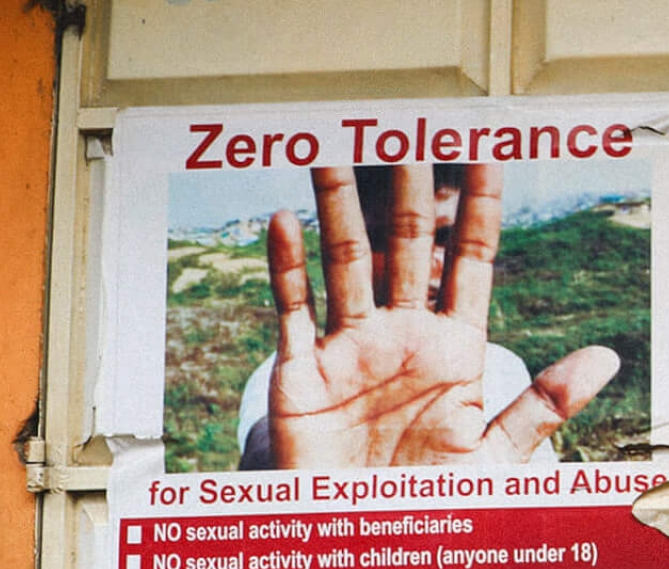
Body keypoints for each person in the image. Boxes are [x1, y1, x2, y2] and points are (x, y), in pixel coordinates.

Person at [243, 161, 620, 470]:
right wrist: (313, 480)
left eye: (445, 237)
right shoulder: (291, 377)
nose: (425, 263)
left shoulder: (504, 366)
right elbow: (263, 448)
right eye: (381, 239)